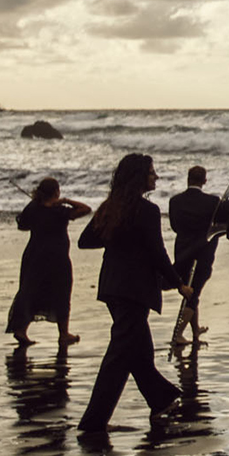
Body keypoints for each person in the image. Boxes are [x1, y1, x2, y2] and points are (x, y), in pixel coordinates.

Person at [76, 154, 193, 433]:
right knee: (119, 356)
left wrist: (116, 238)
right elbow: (157, 253)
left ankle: (161, 399)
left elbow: (86, 240)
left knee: (137, 352)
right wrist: (178, 283)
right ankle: (93, 422)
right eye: (152, 173)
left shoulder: (111, 207)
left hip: (112, 286)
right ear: (140, 177)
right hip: (135, 289)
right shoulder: (147, 211)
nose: (156, 177)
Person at [5, 178, 91, 346]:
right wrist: (65, 201)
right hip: (57, 257)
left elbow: (22, 225)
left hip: (34, 255)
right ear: (56, 192)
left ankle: (21, 329)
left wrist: (37, 207)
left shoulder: (33, 208)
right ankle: (64, 333)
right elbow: (86, 209)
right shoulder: (60, 210)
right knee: (61, 292)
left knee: (30, 291)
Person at [169, 165, 229, 346]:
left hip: (182, 249)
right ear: (204, 180)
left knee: (190, 290)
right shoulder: (212, 202)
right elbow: (220, 224)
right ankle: (178, 334)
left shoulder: (175, 201)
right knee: (194, 293)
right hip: (204, 251)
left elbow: (174, 226)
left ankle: (195, 331)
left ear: (188, 179)